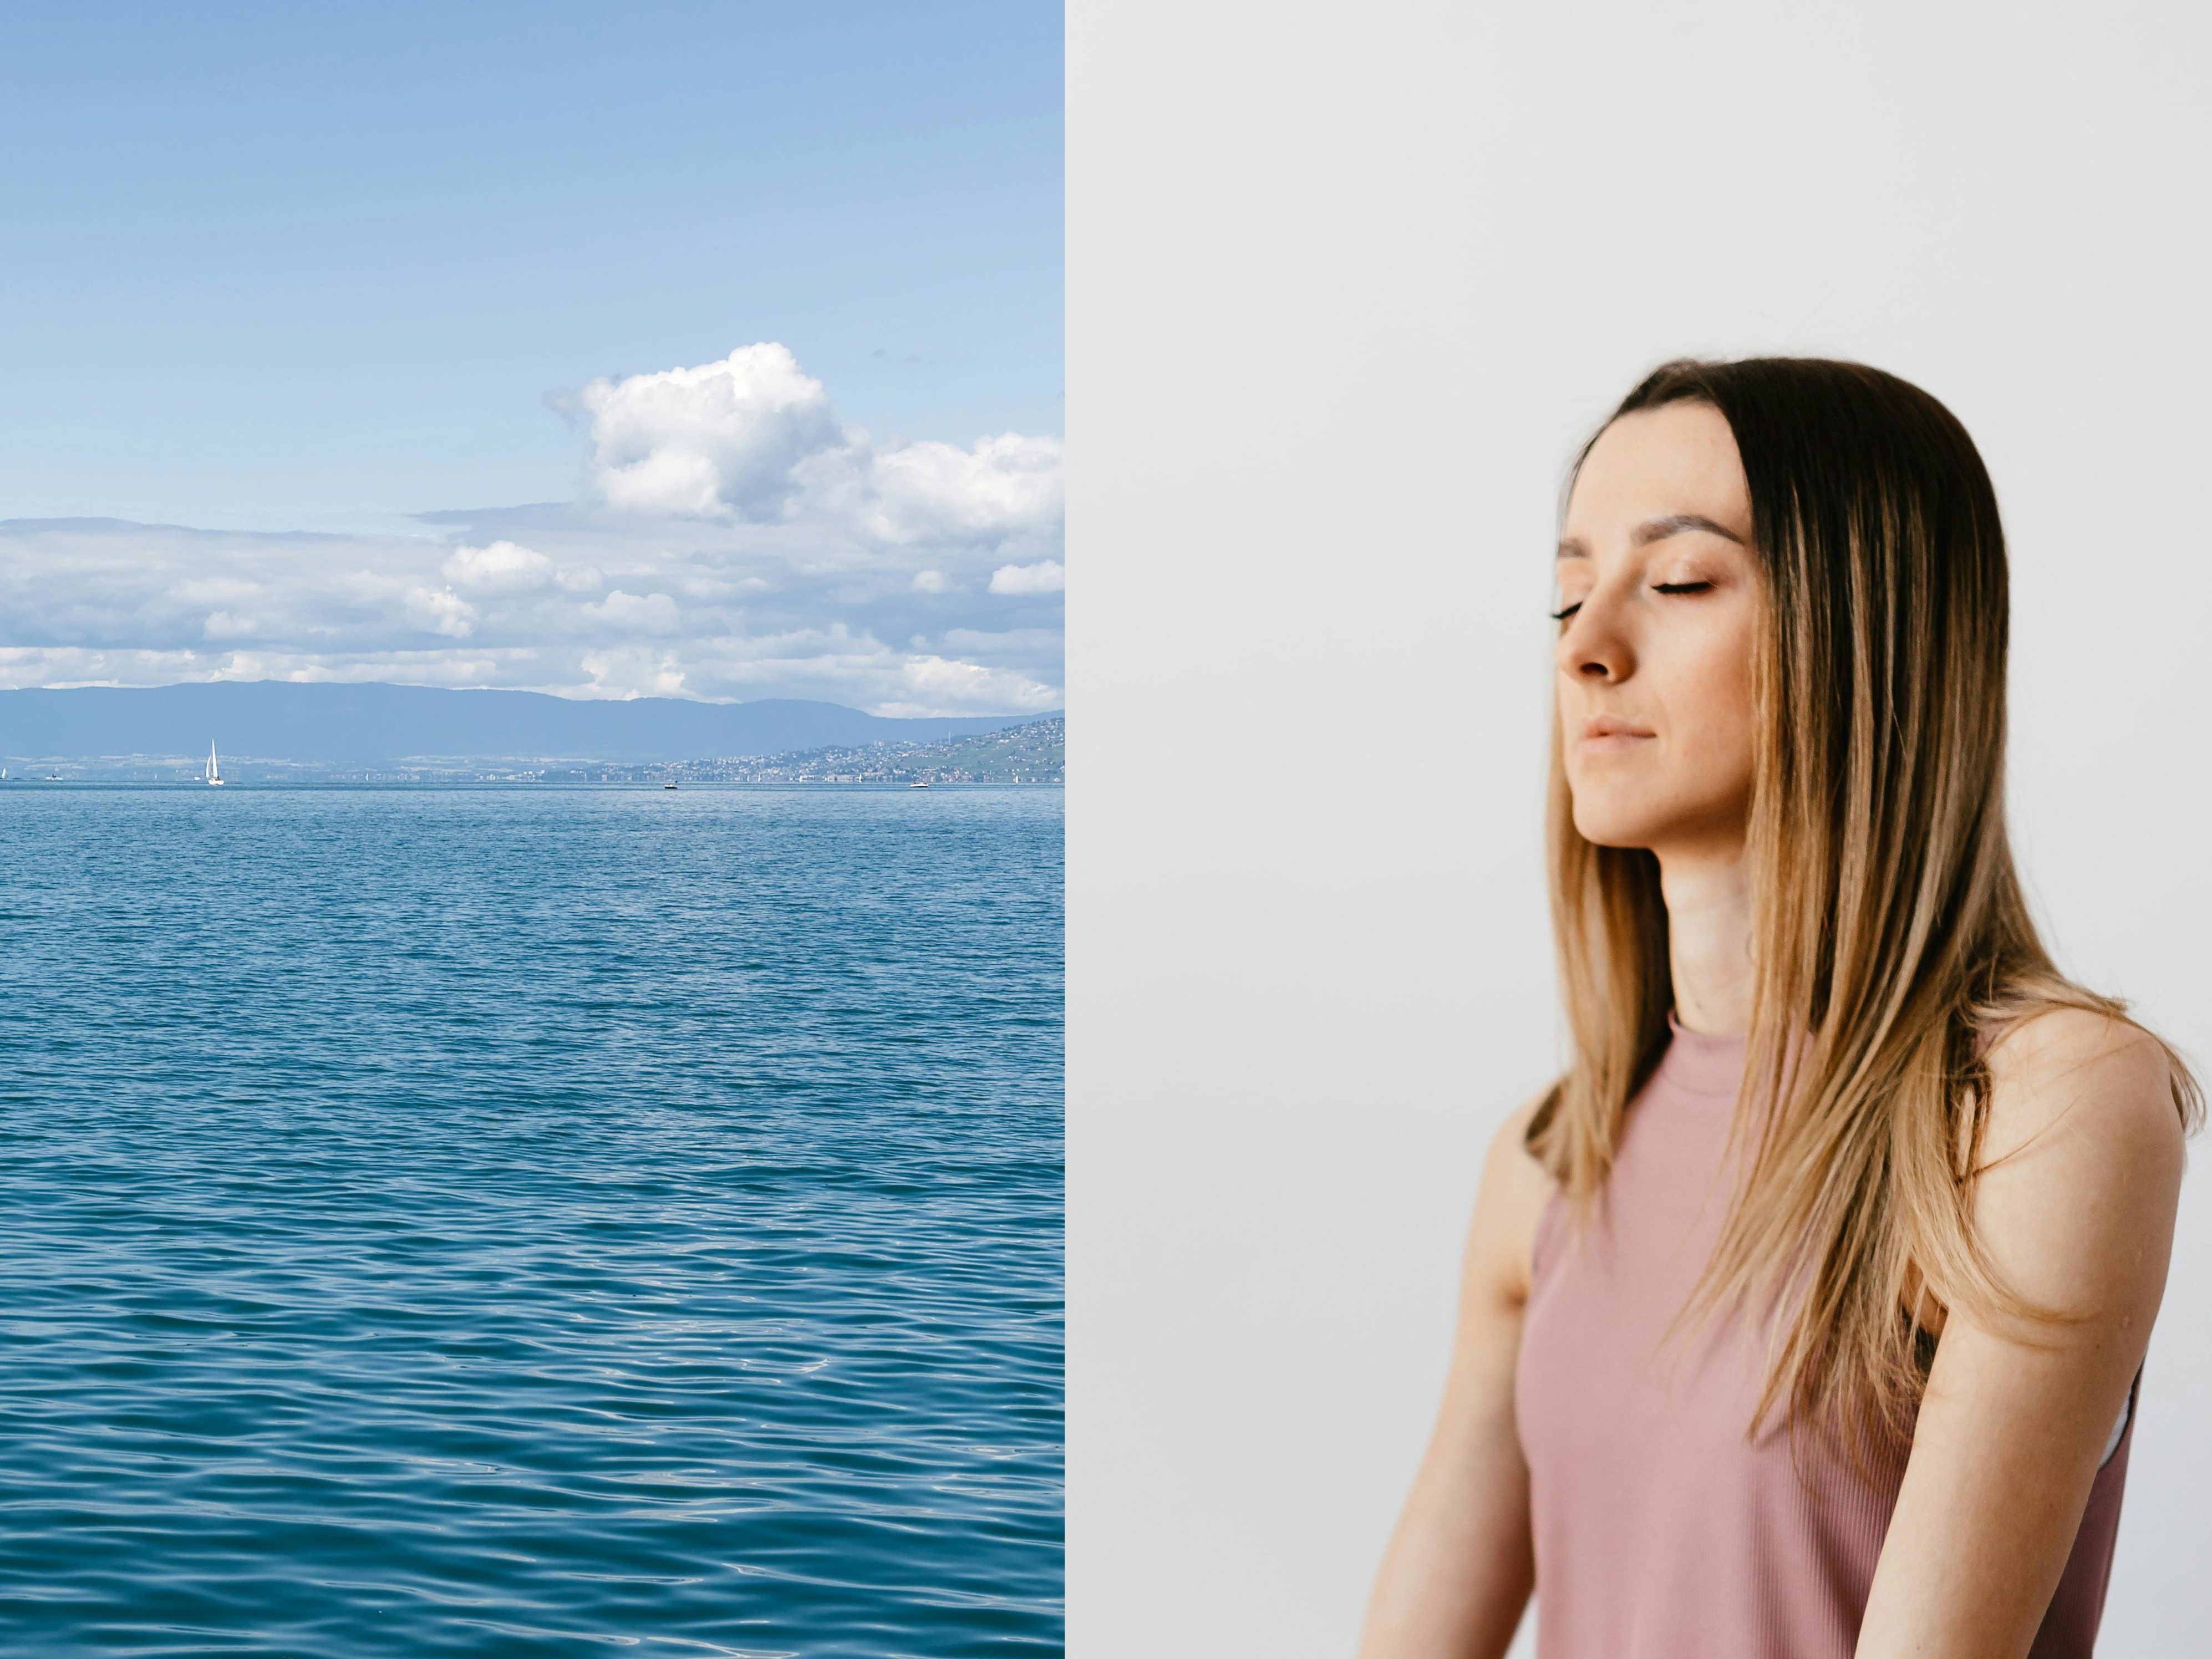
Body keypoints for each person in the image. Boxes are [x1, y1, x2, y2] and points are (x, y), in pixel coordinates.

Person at [1355, 358, 2200, 1659]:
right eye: (1570, 590)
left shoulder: (2041, 1104)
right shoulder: (1548, 1161)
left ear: (1869, 631)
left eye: (1679, 580)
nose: (1586, 643)